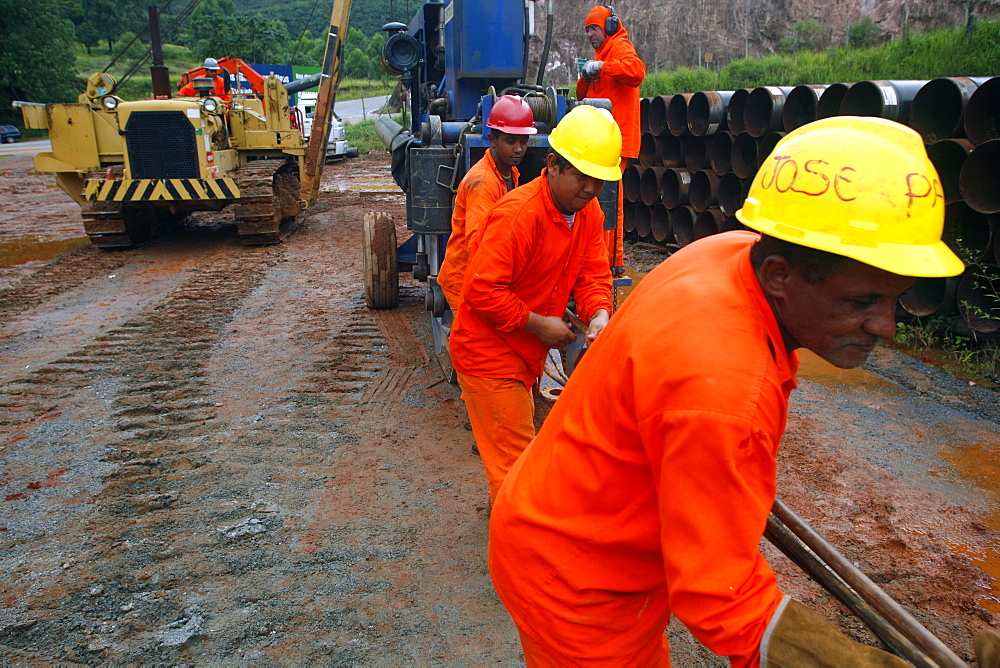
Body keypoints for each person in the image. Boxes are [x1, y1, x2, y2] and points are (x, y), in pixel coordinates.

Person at [488, 116, 975, 665]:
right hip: (575, 581)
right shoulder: (722, 392)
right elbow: (721, 598)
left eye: (894, 299)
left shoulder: (731, 253)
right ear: (779, 274)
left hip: (573, 523)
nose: (885, 326)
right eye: (862, 301)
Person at [449, 105, 618, 504]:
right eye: (582, 177)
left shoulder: (588, 212)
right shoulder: (519, 215)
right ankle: (518, 550)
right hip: (488, 353)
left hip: (525, 353)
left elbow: (594, 272)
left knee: (513, 461)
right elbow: (481, 290)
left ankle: (507, 518)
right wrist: (540, 324)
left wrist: (599, 314)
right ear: (554, 164)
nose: (591, 189)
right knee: (520, 471)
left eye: (600, 181)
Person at [437, 95, 536, 313]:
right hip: (465, 280)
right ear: (492, 139)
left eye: (524, 141)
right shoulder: (483, 181)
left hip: (483, 275)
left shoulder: (509, 173)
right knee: (476, 343)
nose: (518, 149)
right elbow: (477, 244)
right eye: (510, 141)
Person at [577, 5, 645, 275]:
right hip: (601, 140)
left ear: (610, 26)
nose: (591, 34)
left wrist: (603, 66)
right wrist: (585, 75)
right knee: (600, 198)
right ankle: (601, 259)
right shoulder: (600, 56)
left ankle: (611, 261)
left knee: (609, 201)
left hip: (616, 141)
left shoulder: (620, 47)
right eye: (587, 30)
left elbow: (636, 71)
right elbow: (582, 94)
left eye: (594, 28)